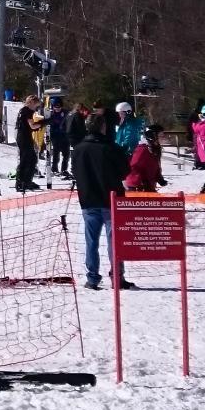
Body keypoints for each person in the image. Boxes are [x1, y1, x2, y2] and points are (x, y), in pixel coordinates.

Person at [70, 114, 133, 290]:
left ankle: (92, 277)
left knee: (91, 241)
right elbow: (124, 171)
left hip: (88, 200)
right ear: (103, 127)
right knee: (114, 241)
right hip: (111, 200)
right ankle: (117, 277)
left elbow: (74, 171)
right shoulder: (111, 148)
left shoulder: (78, 149)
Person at [124, 124, 168, 190]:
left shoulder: (155, 149)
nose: (163, 138)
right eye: (161, 136)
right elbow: (133, 167)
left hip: (148, 186)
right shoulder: (142, 149)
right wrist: (140, 182)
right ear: (153, 136)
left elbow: (155, 167)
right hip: (137, 187)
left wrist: (160, 179)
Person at [13, 96, 43, 192]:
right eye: (35, 106)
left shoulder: (24, 111)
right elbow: (32, 125)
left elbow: (27, 126)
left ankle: (26, 181)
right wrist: (43, 123)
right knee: (25, 159)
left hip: (24, 135)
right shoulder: (27, 111)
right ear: (31, 103)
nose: (35, 108)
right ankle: (20, 182)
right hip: (23, 136)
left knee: (32, 159)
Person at [45, 101, 71, 177]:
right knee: (56, 152)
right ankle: (54, 169)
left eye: (59, 107)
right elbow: (49, 123)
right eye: (56, 107)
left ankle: (64, 169)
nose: (57, 109)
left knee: (66, 153)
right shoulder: (51, 114)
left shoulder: (65, 113)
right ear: (53, 107)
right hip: (55, 135)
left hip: (64, 136)